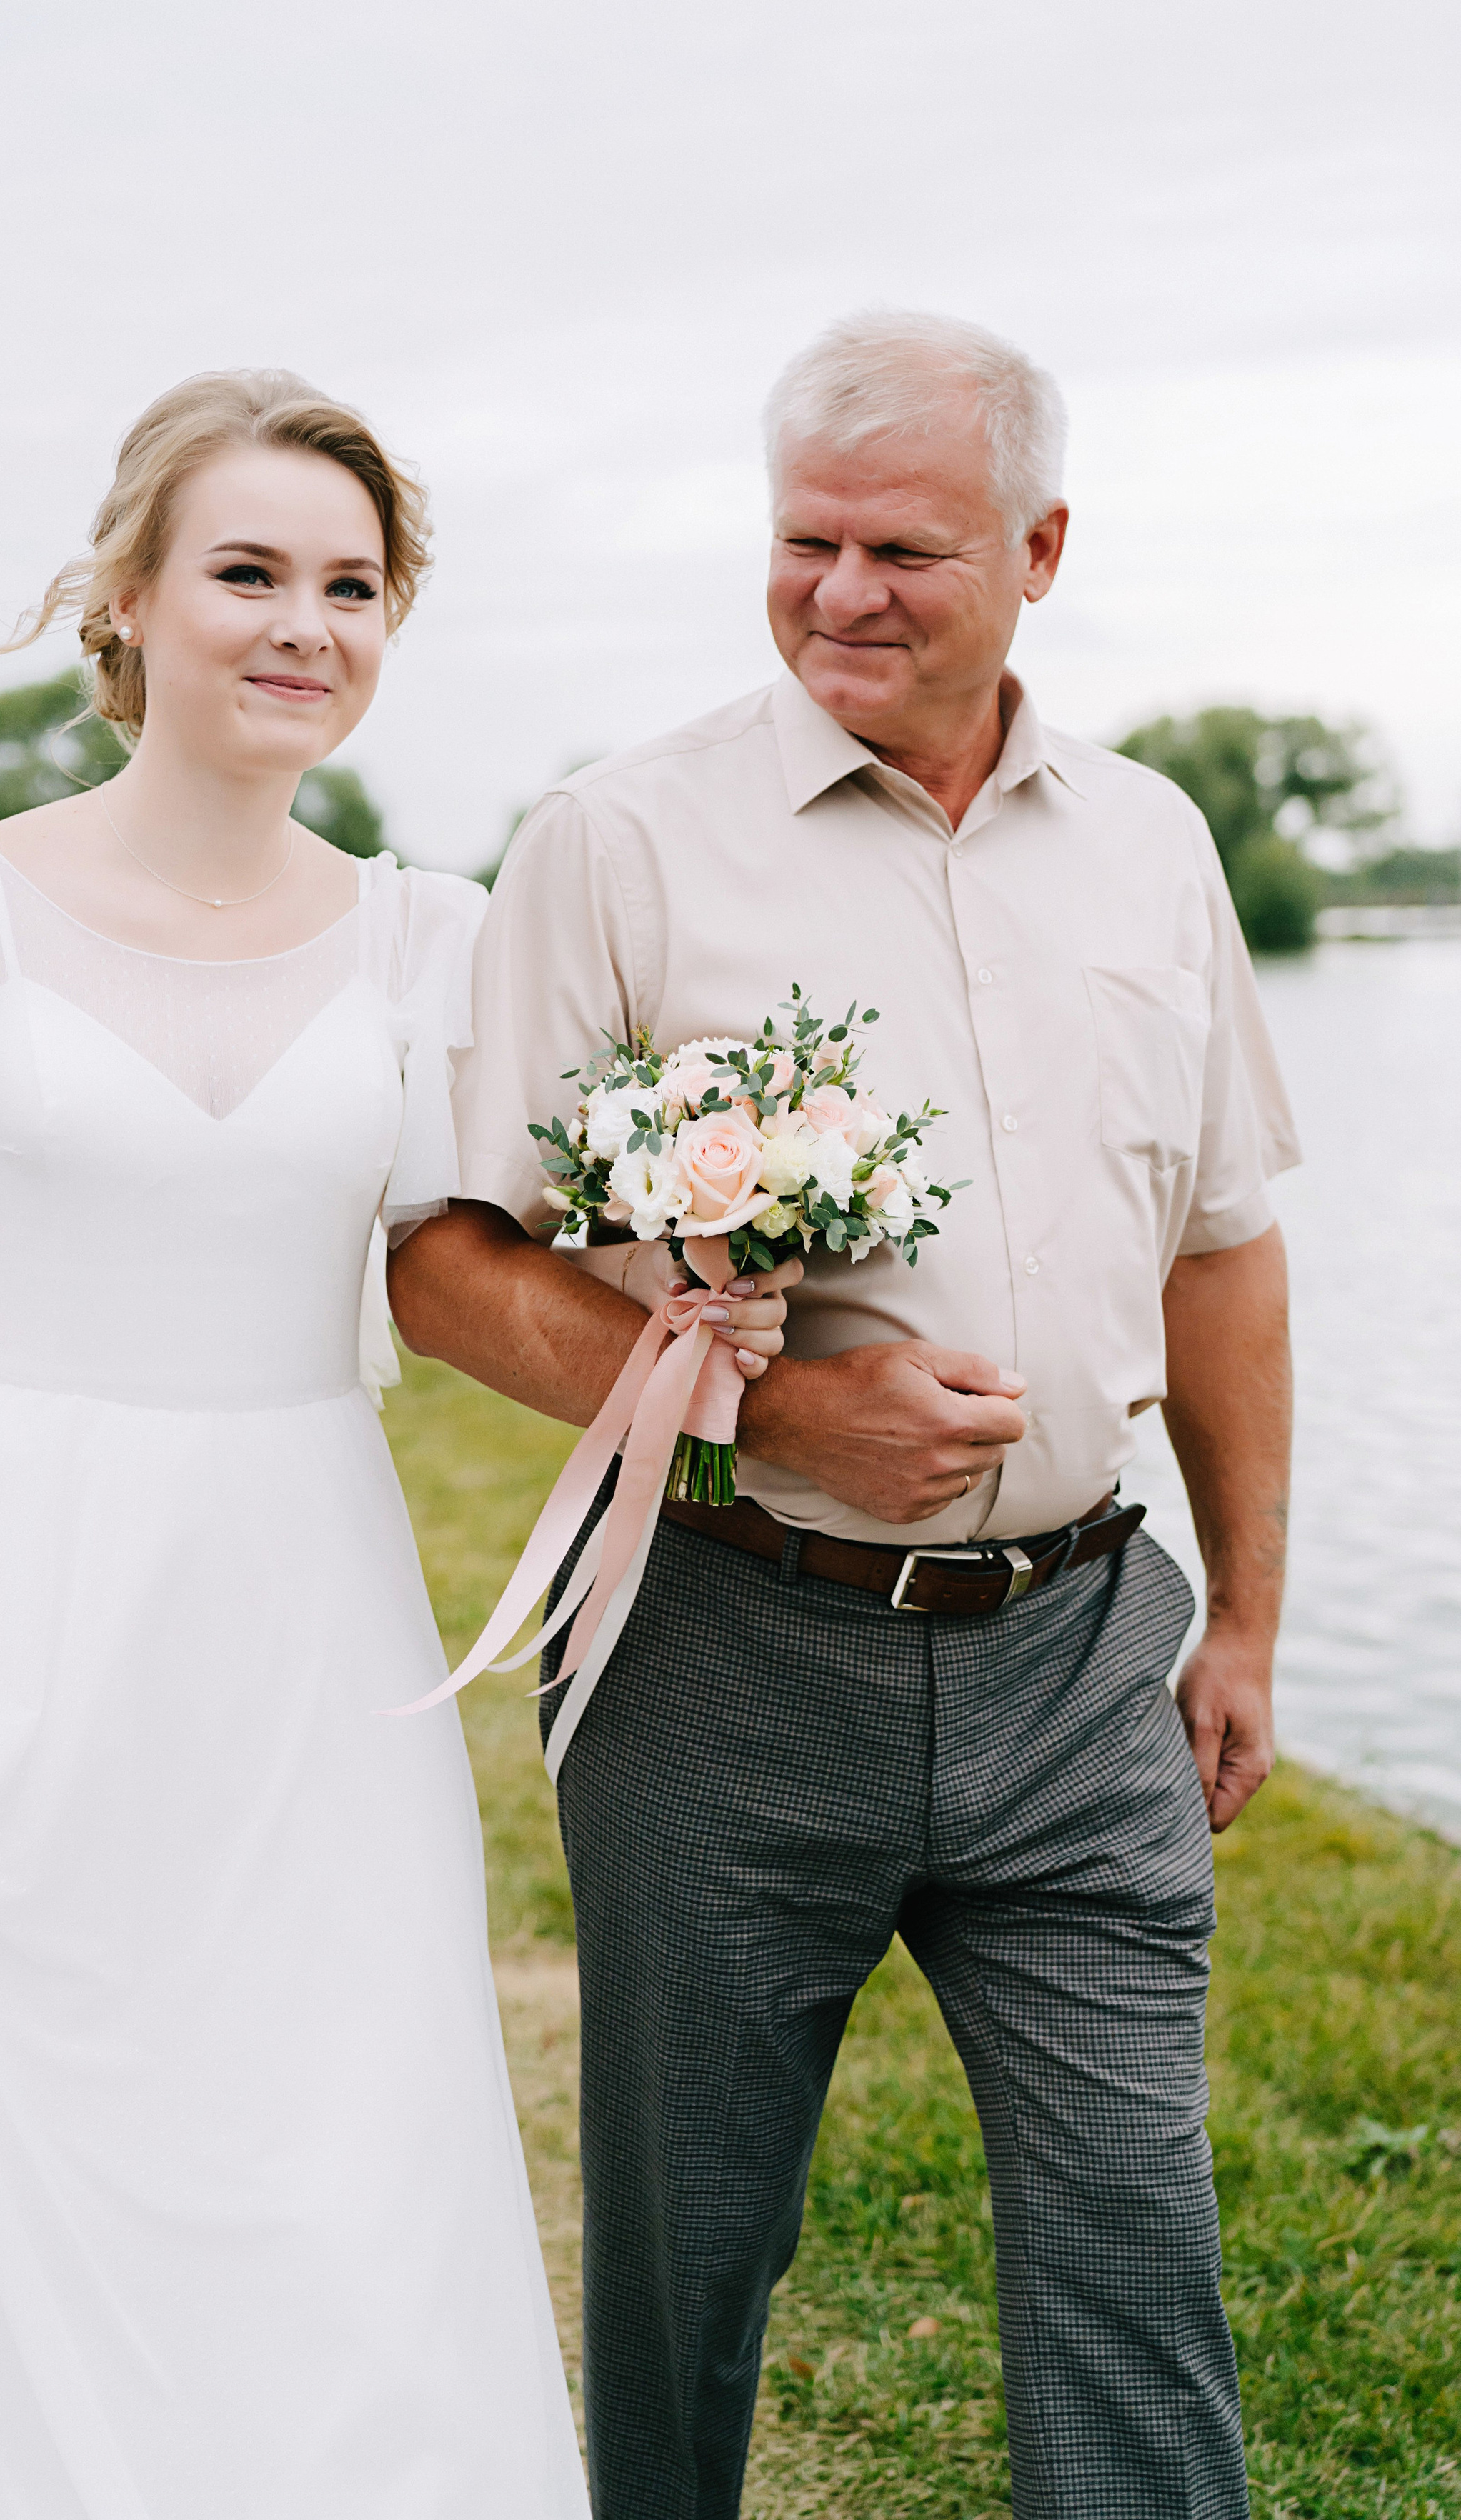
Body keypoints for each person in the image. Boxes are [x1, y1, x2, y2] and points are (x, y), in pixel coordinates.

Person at [0, 371, 591, 2518]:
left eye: (353, 587)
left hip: (297, 1603)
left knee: (319, 2129)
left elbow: (479, 1259)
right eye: (250, 571)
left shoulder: (431, 937)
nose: (304, 625)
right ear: (131, 602)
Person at [388, 310, 1298, 2520]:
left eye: (904, 546)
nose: (842, 595)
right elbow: (446, 1265)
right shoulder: (617, 841)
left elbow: (1225, 1246)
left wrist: (1248, 1619)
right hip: (718, 1644)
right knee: (691, 2263)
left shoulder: (1158, 844)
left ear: (1042, 550)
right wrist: (781, 1416)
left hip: (1083, 1656)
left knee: (1135, 2257)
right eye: (803, 543)